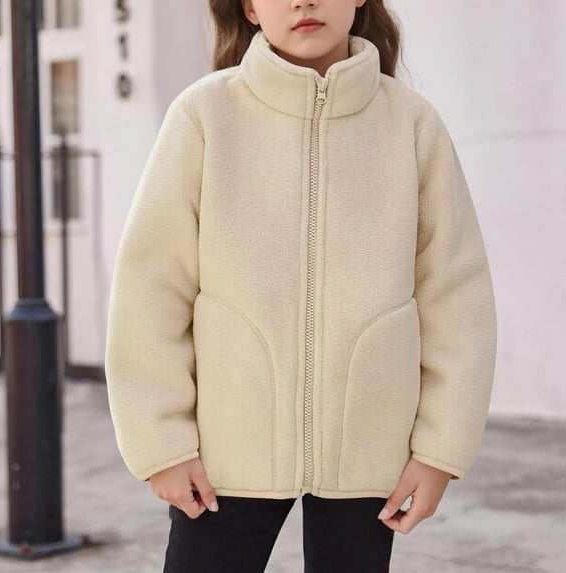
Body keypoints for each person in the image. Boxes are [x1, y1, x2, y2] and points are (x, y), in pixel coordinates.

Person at [104, 0, 498, 571]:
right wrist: (160, 444)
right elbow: (151, 288)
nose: (303, 1)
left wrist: (441, 450)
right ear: (249, 8)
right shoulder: (205, 115)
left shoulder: (412, 124)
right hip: (223, 456)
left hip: (369, 454)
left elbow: (456, 296)